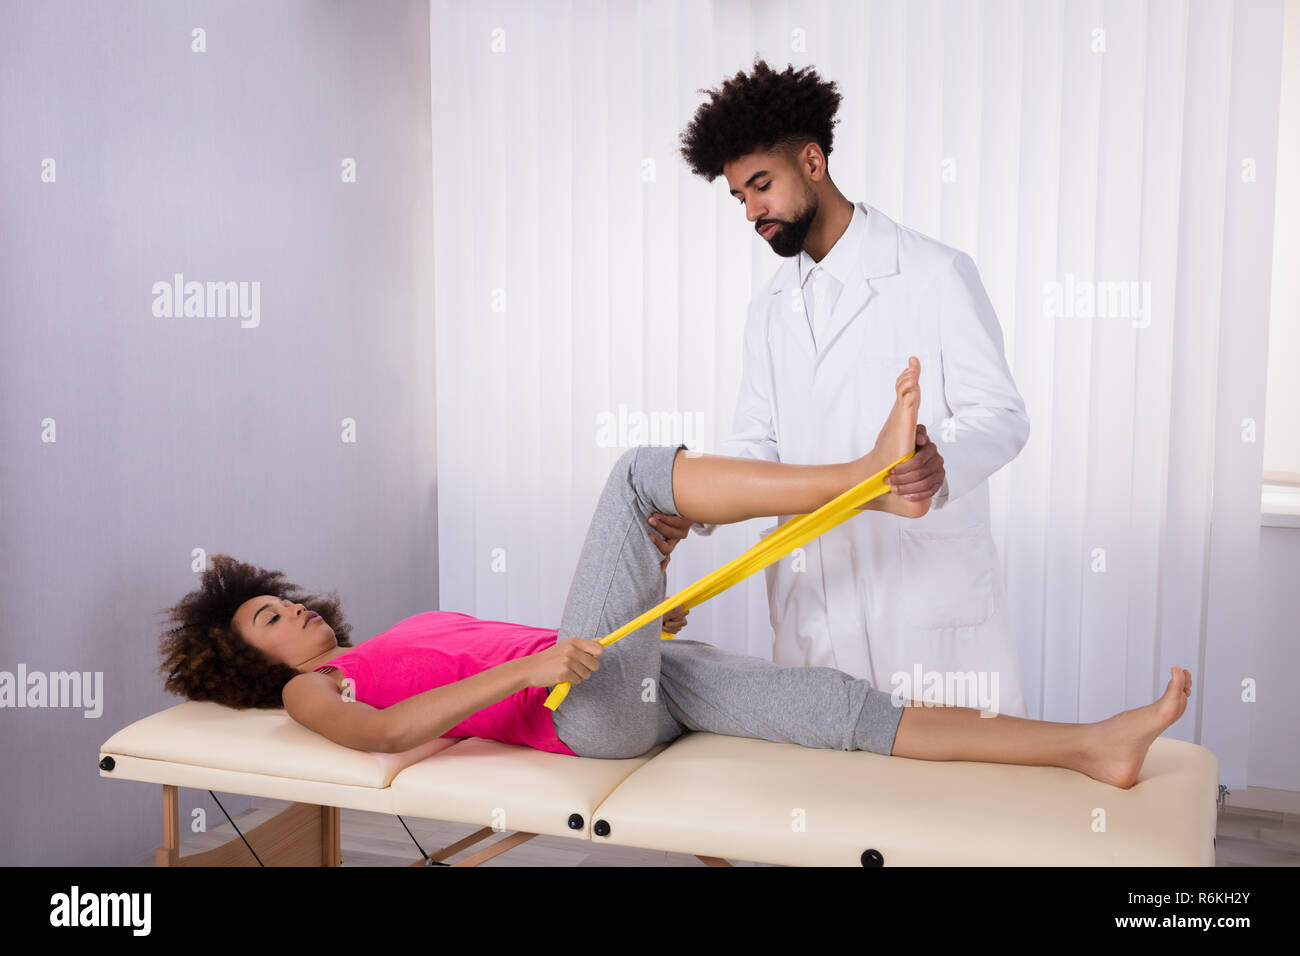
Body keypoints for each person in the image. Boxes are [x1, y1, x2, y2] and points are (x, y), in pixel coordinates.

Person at [158, 359, 1189, 790]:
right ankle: (865, 478)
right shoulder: (313, 692)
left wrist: (640, 612)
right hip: (582, 712)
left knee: (839, 704)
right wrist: (525, 678)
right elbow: (387, 733)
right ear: (254, 663)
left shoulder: (376, 641)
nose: (288, 608)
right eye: (265, 616)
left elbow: (525, 644)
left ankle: (1087, 745)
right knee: (637, 477)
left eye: (279, 596)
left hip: (615, 678)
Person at [649, 57, 1031, 717]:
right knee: (827, 797)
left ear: (812, 163)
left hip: (923, 601)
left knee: (947, 798)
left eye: (761, 185)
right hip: (816, 603)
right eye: (740, 196)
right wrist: (698, 502)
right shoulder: (770, 307)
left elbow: (1000, 413)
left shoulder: (934, 274)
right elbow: (758, 441)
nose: (751, 211)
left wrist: (941, 466)